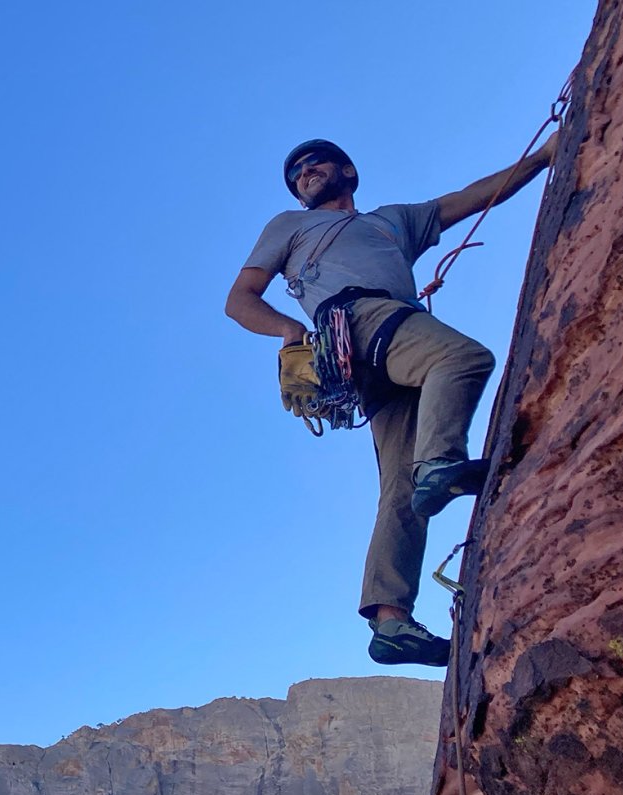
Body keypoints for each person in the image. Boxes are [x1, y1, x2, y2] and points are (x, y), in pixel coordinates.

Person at [225, 136, 556, 666]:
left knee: (400, 488)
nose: (303, 174)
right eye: (295, 174)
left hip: (373, 341)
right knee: (461, 359)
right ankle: (441, 463)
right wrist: (290, 331)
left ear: (347, 171)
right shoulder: (288, 225)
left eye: (313, 165)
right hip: (356, 323)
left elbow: (471, 198)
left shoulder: (395, 221)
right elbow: (239, 299)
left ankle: (390, 623)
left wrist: (540, 159)